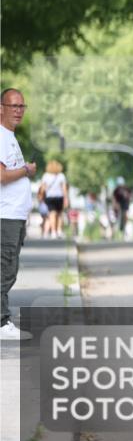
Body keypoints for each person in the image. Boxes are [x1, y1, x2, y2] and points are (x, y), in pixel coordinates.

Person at [0, 88, 35, 340]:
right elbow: (1, 176)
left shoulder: (9, 137)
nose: (18, 111)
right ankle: (2, 323)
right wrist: (25, 170)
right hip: (6, 216)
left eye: (22, 106)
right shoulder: (1, 137)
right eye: (13, 106)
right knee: (5, 269)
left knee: (9, 268)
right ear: (1, 108)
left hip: (15, 215)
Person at [38, 160, 69, 239]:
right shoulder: (61, 175)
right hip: (59, 197)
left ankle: (53, 232)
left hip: (49, 197)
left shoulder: (46, 175)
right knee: (59, 214)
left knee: (52, 214)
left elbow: (42, 188)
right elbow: (64, 189)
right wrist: (66, 199)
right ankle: (59, 230)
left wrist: (41, 196)